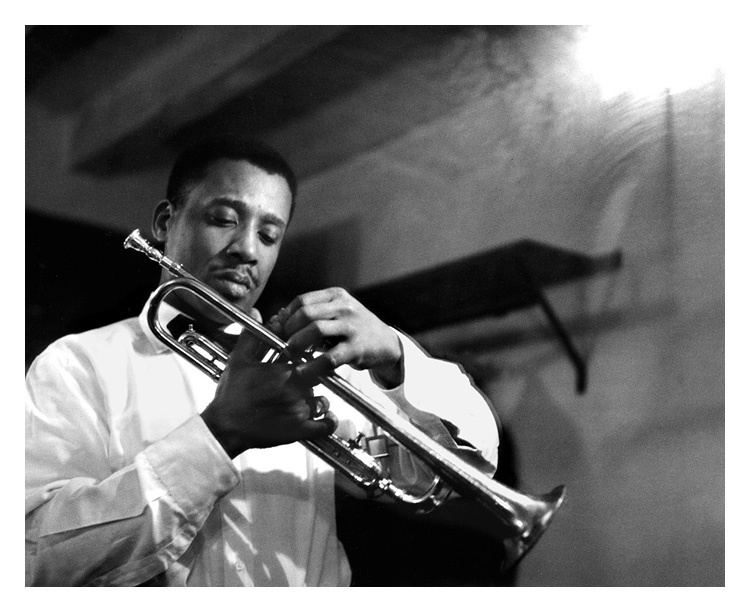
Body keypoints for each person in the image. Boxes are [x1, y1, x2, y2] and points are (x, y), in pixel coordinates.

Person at [25, 138, 500, 586]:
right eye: (224, 219)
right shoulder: (76, 363)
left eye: (269, 234)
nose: (247, 250)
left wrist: (398, 356)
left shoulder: (317, 365)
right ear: (166, 223)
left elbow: (470, 467)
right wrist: (219, 434)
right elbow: (33, 558)